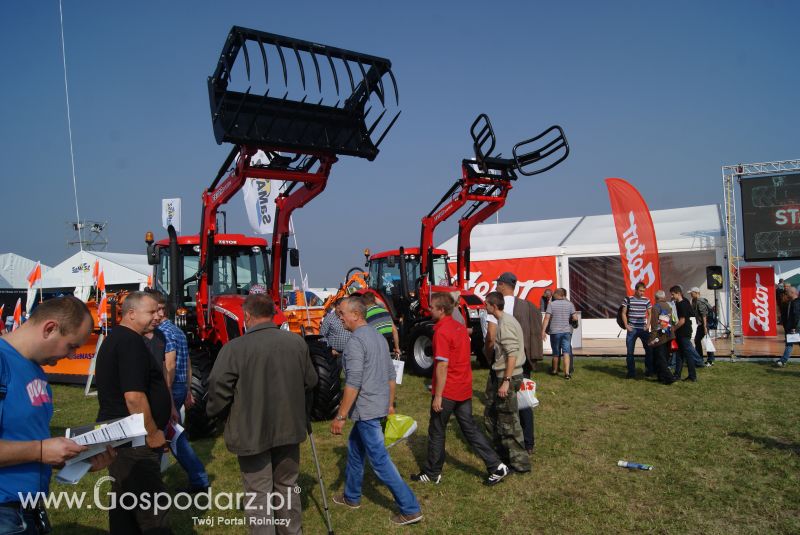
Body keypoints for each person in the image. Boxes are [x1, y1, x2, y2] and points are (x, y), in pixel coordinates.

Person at [0, 296, 114, 534]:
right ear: (50, 328)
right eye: (71, 346)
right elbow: (38, 448)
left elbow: (26, 440)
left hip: (29, 510)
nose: (72, 356)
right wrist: (41, 450)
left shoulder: (37, 372)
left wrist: (74, 459)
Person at [207, 295, 317, 534]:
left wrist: (218, 414)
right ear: (273, 313)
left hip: (250, 430)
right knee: (287, 486)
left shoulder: (234, 348)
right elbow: (311, 381)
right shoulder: (296, 343)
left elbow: (217, 388)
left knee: (259, 493)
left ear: (246, 316)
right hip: (289, 427)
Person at [330, 296, 422, 526]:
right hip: (378, 406)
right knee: (355, 449)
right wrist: (389, 404)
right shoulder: (379, 338)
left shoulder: (354, 343)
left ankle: (410, 508)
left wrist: (341, 416)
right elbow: (391, 376)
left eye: (341, 313)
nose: (339, 318)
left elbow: (353, 383)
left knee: (380, 461)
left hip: (367, 411)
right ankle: (352, 496)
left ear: (356, 314)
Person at [95, 291, 173, 534]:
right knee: (151, 510)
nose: (157, 317)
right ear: (131, 314)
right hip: (134, 438)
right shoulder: (129, 342)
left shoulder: (119, 338)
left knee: (124, 502)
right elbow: (134, 396)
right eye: (151, 312)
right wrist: (152, 434)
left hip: (121, 435)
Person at [410, 293, 508, 486]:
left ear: (441, 310)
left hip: (449, 389)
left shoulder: (441, 331)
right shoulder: (460, 327)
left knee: (437, 430)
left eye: (431, 307)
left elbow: (442, 365)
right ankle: (496, 465)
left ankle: (432, 472)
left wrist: (438, 395)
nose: (428, 309)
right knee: (469, 428)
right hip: (464, 386)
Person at [145, 291, 209, 493]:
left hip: (170, 387)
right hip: (180, 386)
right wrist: (188, 389)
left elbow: (170, 365)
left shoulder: (162, 333)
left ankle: (150, 483)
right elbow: (188, 363)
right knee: (175, 436)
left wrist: (168, 399)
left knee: (157, 436)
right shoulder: (177, 331)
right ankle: (198, 479)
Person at [484, 272, 542, 455]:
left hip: (504, 361)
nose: (495, 287)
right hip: (523, 358)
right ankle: (529, 442)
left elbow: (491, 337)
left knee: (499, 404)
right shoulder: (527, 305)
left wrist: (487, 356)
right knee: (524, 401)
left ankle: (503, 443)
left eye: (497, 284)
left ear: (502, 285)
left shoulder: (496, 307)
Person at [483, 292, 531, 474]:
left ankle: (520, 464)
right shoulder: (506, 320)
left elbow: (512, 354)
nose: (484, 307)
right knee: (496, 415)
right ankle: (502, 455)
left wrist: (506, 381)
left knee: (509, 421)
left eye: (486, 304)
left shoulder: (506, 324)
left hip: (508, 376)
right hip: (501, 374)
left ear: (493, 306)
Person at [541, 288, 577, 380]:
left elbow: (547, 318)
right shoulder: (570, 304)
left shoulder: (551, 304)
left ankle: (554, 370)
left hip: (555, 332)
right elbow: (575, 317)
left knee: (556, 353)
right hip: (566, 332)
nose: (553, 295)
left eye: (555, 293)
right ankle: (567, 373)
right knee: (566, 352)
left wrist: (543, 331)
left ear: (558, 294)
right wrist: (574, 323)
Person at [621, 282, 653, 378]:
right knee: (630, 352)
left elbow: (650, 313)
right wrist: (626, 325)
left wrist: (648, 325)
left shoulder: (646, 300)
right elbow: (623, 313)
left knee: (649, 349)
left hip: (643, 329)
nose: (642, 293)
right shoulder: (628, 299)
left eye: (643, 291)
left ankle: (649, 370)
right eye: (640, 291)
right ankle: (631, 372)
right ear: (636, 290)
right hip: (632, 329)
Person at [670, 286, 700, 382]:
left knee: (687, 354)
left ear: (678, 293)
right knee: (679, 354)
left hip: (683, 332)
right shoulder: (684, 302)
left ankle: (692, 376)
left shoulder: (682, 304)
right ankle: (677, 374)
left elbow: (682, 321)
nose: (672, 296)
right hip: (682, 332)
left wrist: (673, 328)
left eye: (673, 294)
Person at [647, 290, 677, 385]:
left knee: (660, 359)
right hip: (668, 335)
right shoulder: (669, 306)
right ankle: (661, 377)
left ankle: (669, 378)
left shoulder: (655, 308)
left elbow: (655, 325)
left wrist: (651, 339)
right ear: (663, 297)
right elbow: (672, 321)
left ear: (656, 298)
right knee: (663, 357)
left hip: (660, 337)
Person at [689, 287, 715, 367]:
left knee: (706, 341)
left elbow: (704, 315)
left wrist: (704, 327)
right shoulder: (694, 301)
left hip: (704, 324)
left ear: (696, 293)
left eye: (692, 293)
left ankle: (710, 360)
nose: (690, 294)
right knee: (698, 340)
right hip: (701, 324)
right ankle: (700, 358)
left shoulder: (700, 301)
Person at [777, 286, 800, 367]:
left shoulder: (796, 303)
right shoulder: (792, 302)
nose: (787, 294)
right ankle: (783, 360)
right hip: (792, 327)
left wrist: (793, 327)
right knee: (789, 344)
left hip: (794, 328)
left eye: (788, 292)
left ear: (792, 293)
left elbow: (796, 316)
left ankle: (783, 361)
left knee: (789, 344)